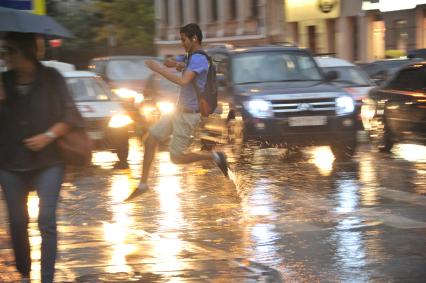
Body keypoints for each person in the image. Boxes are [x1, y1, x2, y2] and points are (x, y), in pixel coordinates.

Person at [0, 32, 84, 282]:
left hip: (49, 161)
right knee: (17, 221)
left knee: (46, 219)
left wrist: (47, 136)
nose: (4, 57)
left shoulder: (51, 78)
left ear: (24, 52)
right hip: (10, 162)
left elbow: (71, 116)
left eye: (9, 51)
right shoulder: (3, 81)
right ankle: (25, 273)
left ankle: (47, 277)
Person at [125, 23, 228, 201]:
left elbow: (184, 82)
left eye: (183, 39)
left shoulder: (199, 59)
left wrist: (159, 69)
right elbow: (189, 71)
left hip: (188, 115)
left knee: (177, 157)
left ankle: (215, 156)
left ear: (194, 38)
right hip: (178, 111)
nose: (181, 43)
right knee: (150, 140)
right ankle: (143, 185)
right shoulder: (193, 57)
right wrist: (176, 64)